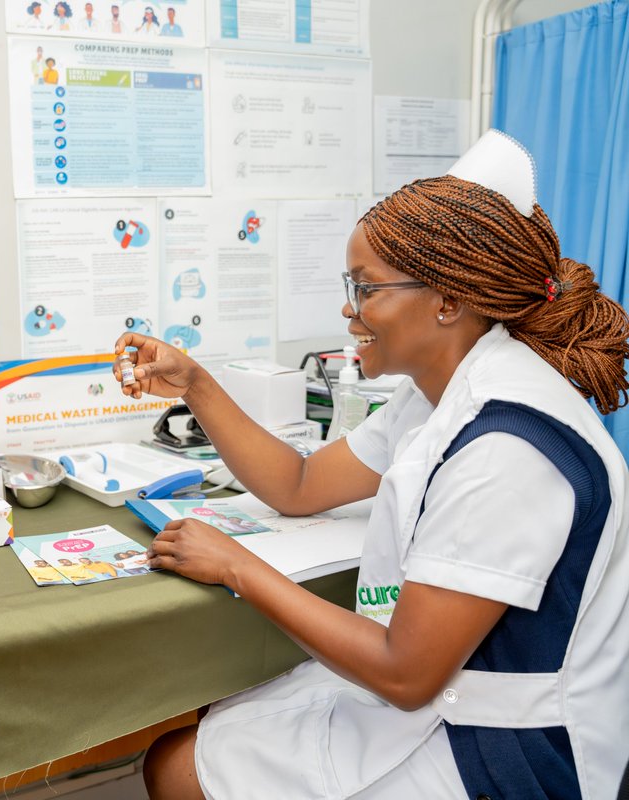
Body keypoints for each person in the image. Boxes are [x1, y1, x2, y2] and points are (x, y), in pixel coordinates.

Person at [117, 130, 629, 799]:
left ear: (448, 301)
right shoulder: (439, 393)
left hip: (507, 753)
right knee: (205, 732)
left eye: (366, 289)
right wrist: (197, 386)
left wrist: (238, 565)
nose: (348, 308)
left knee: (177, 768)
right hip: (440, 698)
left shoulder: (509, 448)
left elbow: (404, 673)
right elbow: (298, 486)